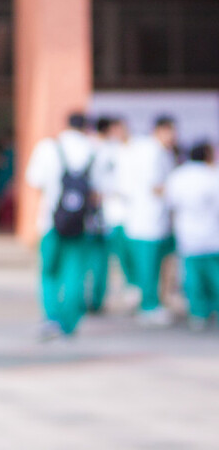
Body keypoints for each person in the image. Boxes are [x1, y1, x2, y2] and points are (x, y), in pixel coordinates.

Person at [25, 111, 97, 340]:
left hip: (51, 221)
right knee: (75, 272)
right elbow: (98, 193)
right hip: (82, 223)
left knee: (49, 271)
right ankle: (69, 323)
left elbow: (35, 183)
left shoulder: (48, 147)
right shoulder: (94, 149)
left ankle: (51, 317)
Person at [119, 115, 178, 327]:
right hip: (147, 220)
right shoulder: (151, 152)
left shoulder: (153, 150)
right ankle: (149, 306)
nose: (174, 137)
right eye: (172, 132)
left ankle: (152, 302)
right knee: (148, 267)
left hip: (151, 220)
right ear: (161, 130)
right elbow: (156, 186)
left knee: (154, 266)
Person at [164, 142, 219, 330]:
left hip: (187, 233)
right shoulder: (212, 176)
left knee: (192, 277)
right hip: (212, 235)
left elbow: (170, 204)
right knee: (215, 276)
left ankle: (198, 313)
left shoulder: (178, 176)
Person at [90, 115, 137, 312]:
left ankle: (97, 299)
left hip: (106, 214)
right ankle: (99, 298)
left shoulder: (93, 148)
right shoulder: (113, 150)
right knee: (116, 259)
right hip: (111, 213)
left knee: (103, 260)